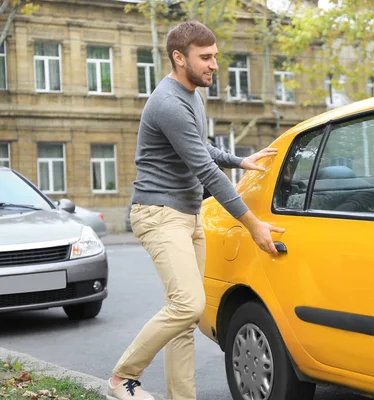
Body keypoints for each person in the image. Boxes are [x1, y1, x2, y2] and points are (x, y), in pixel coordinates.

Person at [107, 21, 284, 400]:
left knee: (185, 319)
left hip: (188, 215)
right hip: (158, 213)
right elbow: (205, 170)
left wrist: (239, 160)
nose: (213, 65)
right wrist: (252, 224)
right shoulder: (169, 102)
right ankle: (123, 376)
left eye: (215, 57)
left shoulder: (192, 96)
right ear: (178, 57)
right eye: (205, 57)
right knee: (188, 304)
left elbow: (201, 150)